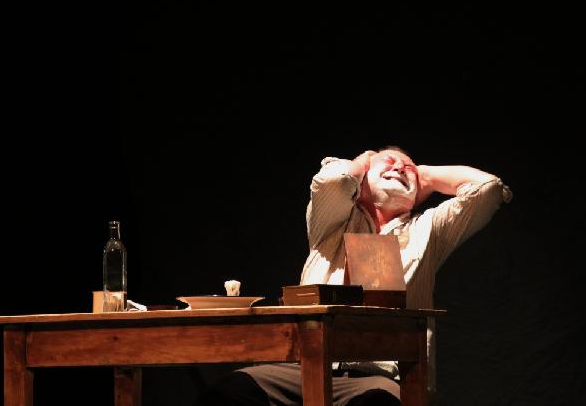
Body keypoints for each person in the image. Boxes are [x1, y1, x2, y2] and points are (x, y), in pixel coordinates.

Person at [196, 146, 511, 406]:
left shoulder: (427, 230)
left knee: (378, 402)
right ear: (361, 181)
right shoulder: (332, 221)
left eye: (408, 170)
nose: (400, 168)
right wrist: (364, 160)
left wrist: (424, 174)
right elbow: (333, 179)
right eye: (389, 162)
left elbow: (488, 189)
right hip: (304, 367)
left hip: (378, 376)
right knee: (231, 392)